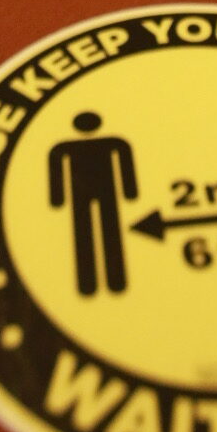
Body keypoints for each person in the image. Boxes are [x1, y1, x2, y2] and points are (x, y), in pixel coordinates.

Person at [48, 111, 139, 297]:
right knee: (95, 234)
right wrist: (130, 192)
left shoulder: (68, 147)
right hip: (88, 195)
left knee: (97, 234)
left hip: (100, 194)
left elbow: (125, 161)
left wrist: (57, 199)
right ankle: (100, 282)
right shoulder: (110, 143)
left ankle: (104, 281)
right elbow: (56, 169)